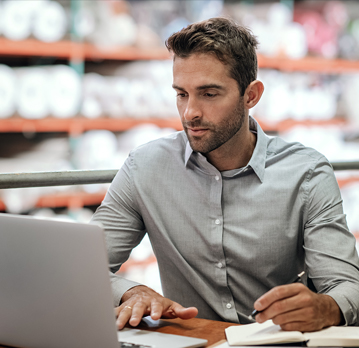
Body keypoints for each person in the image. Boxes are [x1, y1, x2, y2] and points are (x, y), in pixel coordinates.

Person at [91, 17, 359, 332]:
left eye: (209, 94)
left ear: (251, 96)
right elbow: (83, 268)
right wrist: (130, 292)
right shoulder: (145, 168)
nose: (190, 112)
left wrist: (325, 307)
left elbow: (346, 286)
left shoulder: (307, 174)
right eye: (181, 94)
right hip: (192, 341)